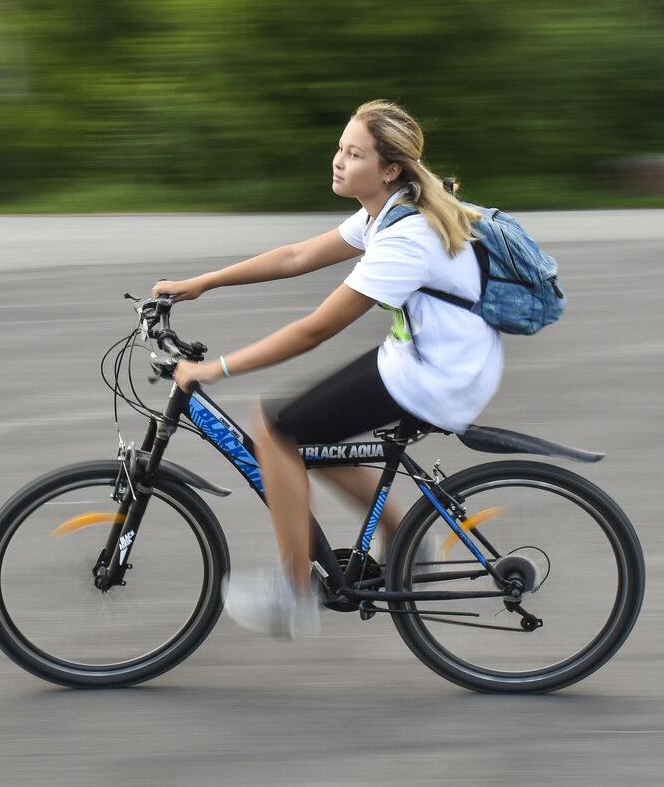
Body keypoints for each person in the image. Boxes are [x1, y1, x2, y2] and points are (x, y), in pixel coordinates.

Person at [151, 99, 503, 639]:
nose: (338, 160)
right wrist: (205, 282)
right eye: (340, 147)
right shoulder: (384, 211)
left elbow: (315, 329)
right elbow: (295, 256)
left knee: (276, 429)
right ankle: (409, 534)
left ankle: (294, 596)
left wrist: (215, 370)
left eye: (354, 153)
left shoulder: (405, 238)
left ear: (390, 169)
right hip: (425, 357)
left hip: (441, 373)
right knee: (312, 437)